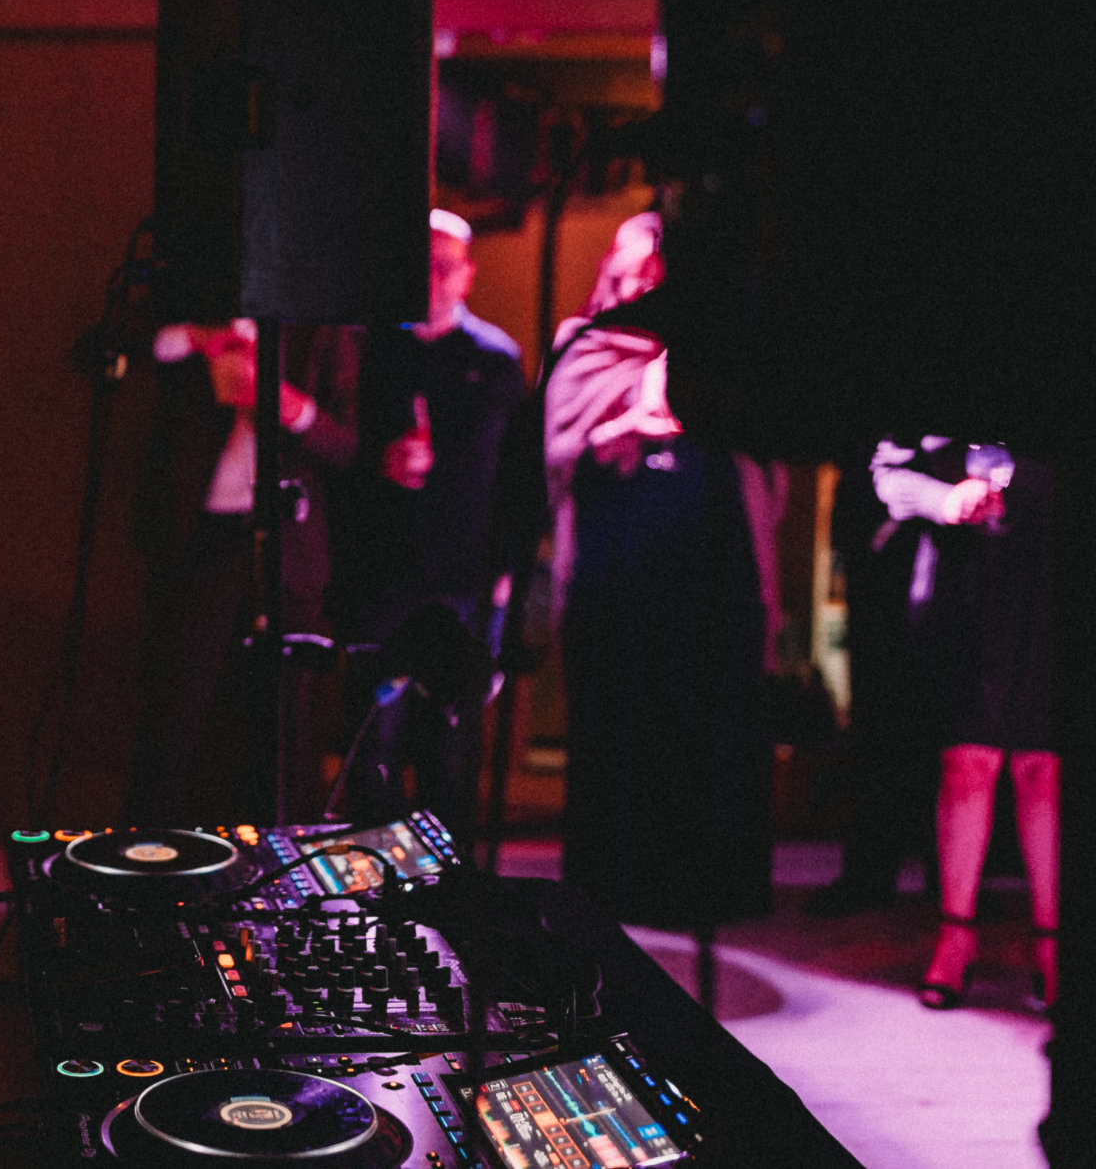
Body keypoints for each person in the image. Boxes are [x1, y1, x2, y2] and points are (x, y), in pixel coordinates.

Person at [543, 212, 779, 931]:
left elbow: (759, 451)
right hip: (618, 570)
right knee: (621, 726)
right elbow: (556, 453)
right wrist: (629, 426)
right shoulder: (584, 342)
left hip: (708, 567)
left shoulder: (714, 349)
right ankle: (615, 885)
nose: (644, 282)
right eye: (633, 268)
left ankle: (703, 888)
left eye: (658, 269)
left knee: (704, 726)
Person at [331, 209, 525, 831]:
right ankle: (370, 875)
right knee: (373, 748)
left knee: (450, 750)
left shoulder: (496, 359)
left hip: (463, 581)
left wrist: (506, 574)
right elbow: (336, 457)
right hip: (381, 576)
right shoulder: (369, 348)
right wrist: (378, 462)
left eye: (446, 267)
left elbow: (517, 478)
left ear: (467, 275)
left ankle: (449, 879)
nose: (434, 280)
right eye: (424, 266)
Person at [126, 316, 359, 826]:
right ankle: (155, 854)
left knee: (287, 721)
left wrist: (289, 406)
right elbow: (115, 343)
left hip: (289, 541)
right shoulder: (201, 305)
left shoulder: (318, 326)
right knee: (176, 712)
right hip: (204, 533)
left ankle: (284, 856)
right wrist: (197, 339)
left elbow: (348, 442)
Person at [869, 436, 1058, 1012]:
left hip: (1053, 576)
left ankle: (1052, 943)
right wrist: (942, 498)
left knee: (1045, 767)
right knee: (967, 762)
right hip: (966, 580)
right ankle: (956, 938)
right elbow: (886, 472)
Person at [802, 448, 943, 917]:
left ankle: (943, 873)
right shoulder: (871, 460)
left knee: (936, 725)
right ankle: (873, 872)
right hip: (882, 581)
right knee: (880, 726)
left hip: (936, 571)